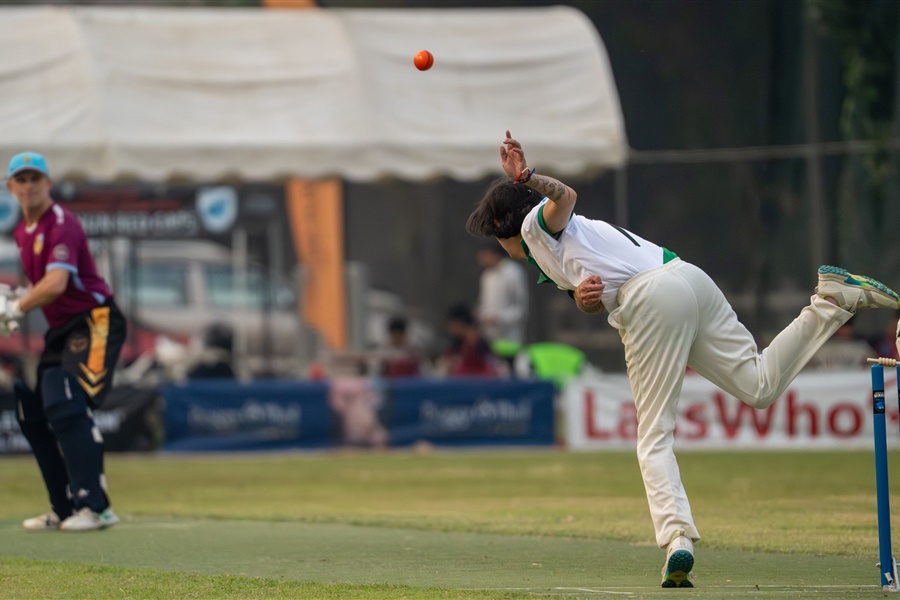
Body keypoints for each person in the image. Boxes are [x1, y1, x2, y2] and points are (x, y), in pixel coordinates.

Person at [465, 130, 900, 588]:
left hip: (652, 298)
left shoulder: (534, 226)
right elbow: (592, 295)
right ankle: (832, 301)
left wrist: (528, 177)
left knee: (653, 436)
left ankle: (677, 541)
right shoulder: (555, 249)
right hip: (686, 278)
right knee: (758, 386)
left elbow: (565, 195)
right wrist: (584, 300)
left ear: (501, 229)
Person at [4, 152, 127, 532]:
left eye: (35, 178)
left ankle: (97, 507)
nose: (28, 186)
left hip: (96, 320)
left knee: (68, 401)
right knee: (34, 413)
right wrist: (17, 298)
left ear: (48, 183)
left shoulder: (61, 223)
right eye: (21, 180)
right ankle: (64, 507)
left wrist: (16, 307)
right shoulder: (22, 231)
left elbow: (56, 285)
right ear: (11, 187)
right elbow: (42, 286)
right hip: (62, 330)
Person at [475, 244, 529, 366]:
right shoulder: (487, 275)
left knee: (510, 368)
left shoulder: (513, 272)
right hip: (490, 337)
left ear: (494, 254)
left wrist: (499, 318)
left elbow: (521, 307)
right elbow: (484, 302)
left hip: (510, 336)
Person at [435, 304, 502, 377]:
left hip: (480, 381)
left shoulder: (478, 342)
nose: (450, 329)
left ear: (459, 323)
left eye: (451, 324)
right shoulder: (458, 343)